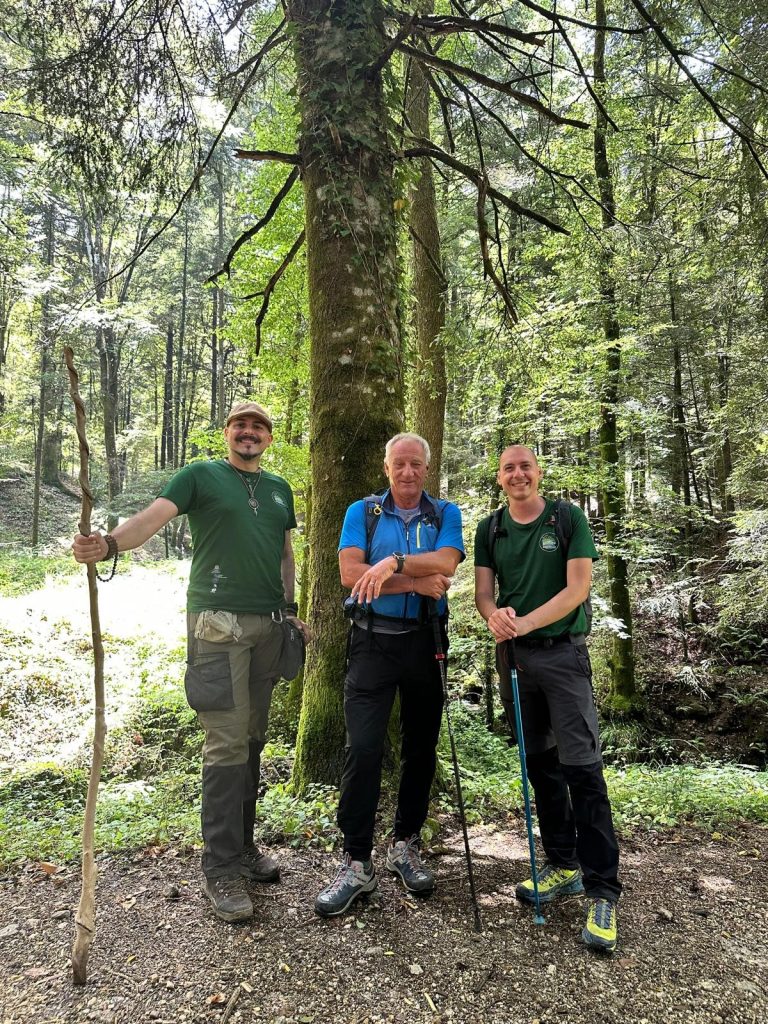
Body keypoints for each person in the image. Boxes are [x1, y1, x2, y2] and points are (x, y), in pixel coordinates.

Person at [72, 401, 311, 923]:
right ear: (227, 433)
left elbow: (285, 554)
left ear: (269, 438)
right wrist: (109, 543)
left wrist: (290, 612)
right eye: (240, 425)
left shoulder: (278, 490)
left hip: (269, 627)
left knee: (252, 737)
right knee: (225, 740)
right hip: (217, 627)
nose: (249, 432)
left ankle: (243, 851)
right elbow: (152, 520)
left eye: (259, 426)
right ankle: (221, 868)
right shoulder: (200, 476)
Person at [474, 445, 621, 953]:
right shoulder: (490, 528)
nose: (518, 474)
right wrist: (495, 618)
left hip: (563, 657)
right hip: (515, 661)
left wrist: (522, 623)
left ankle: (604, 891)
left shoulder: (567, 517)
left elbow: (577, 589)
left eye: (525, 466)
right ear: (500, 478)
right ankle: (563, 865)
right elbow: (484, 594)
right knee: (540, 764)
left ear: (538, 473)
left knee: (583, 768)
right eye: (509, 468)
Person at [314, 433, 465, 917]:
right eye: (399, 464)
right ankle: (356, 861)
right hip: (371, 643)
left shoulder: (446, 515)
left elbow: (447, 564)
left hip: (426, 643)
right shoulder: (364, 512)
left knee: (421, 748)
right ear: (386, 467)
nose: (407, 472)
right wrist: (416, 581)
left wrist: (393, 564)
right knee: (363, 748)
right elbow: (348, 573)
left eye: (416, 464)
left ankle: (405, 844)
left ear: (427, 468)